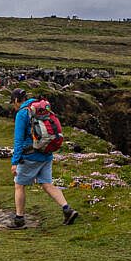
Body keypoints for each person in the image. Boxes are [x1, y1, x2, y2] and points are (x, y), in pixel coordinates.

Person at [9, 88, 79, 228]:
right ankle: (67, 209)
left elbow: (18, 140)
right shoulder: (41, 108)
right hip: (46, 154)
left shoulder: (23, 113)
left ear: (17, 100)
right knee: (47, 184)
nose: (14, 106)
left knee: (19, 185)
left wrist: (15, 162)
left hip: (30, 155)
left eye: (13, 103)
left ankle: (19, 219)